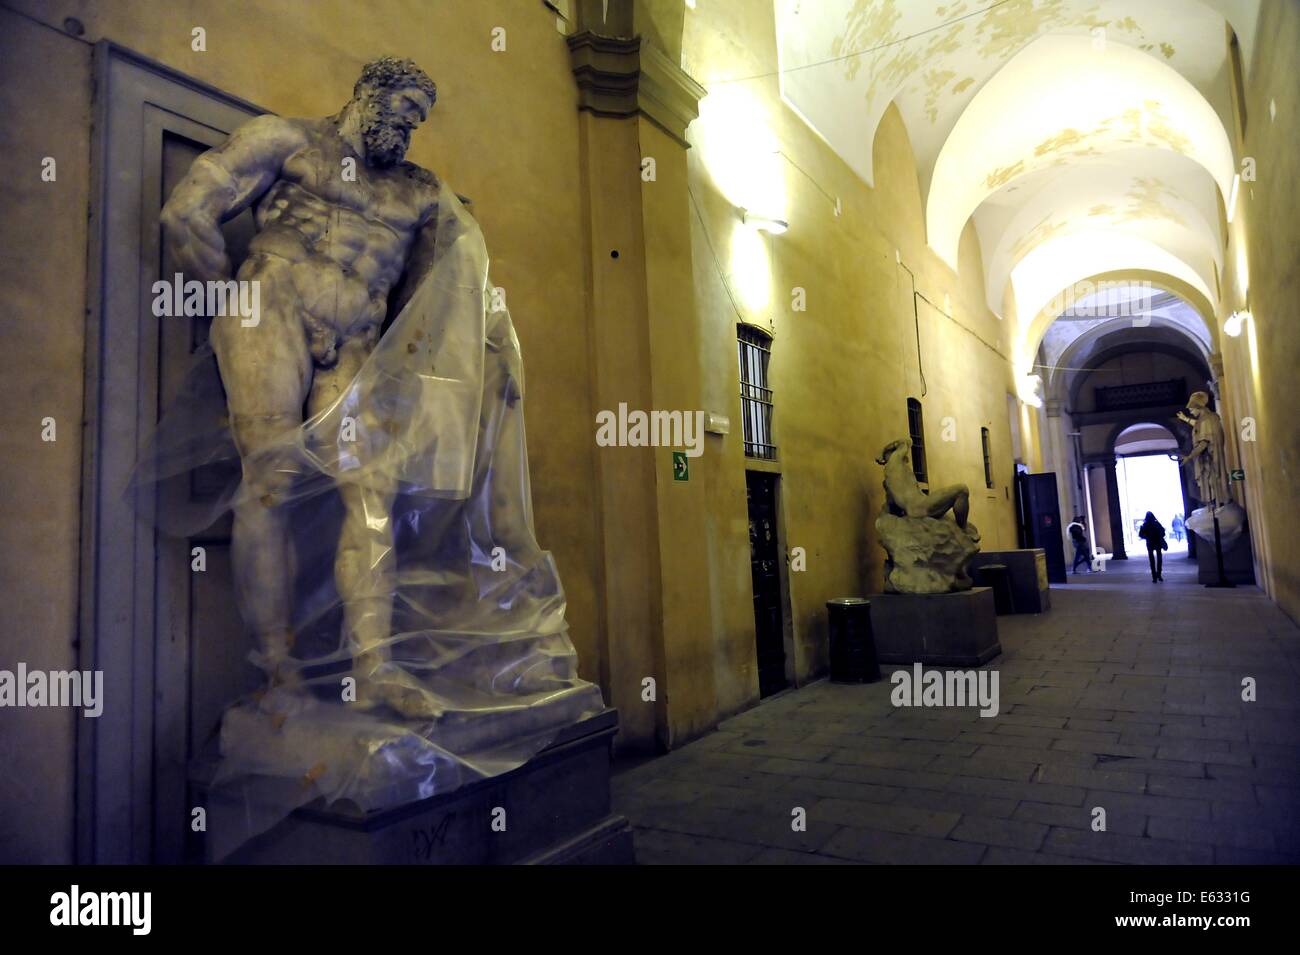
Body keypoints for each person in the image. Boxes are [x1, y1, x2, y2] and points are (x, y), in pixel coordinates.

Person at [1138, 511, 1168, 582]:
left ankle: (1154, 577)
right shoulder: (1157, 523)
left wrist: (1147, 537)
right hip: (1158, 543)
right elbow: (1163, 532)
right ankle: (1159, 575)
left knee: (1151, 560)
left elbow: (1141, 535)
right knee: (1159, 559)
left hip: (1150, 544)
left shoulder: (1145, 525)